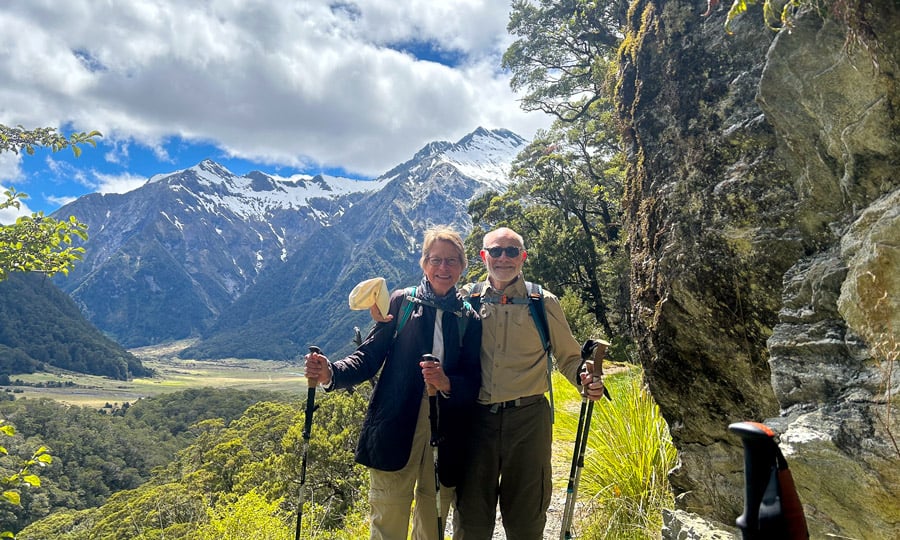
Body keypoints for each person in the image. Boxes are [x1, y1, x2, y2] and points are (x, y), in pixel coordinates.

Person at [304, 225, 482, 540]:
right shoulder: (403, 303)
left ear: (462, 265)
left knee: (433, 520)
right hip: (395, 423)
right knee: (388, 518)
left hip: (447, 430)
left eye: (452, 260)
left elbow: (474, 379)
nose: (443, 268)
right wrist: (330, 373)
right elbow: (368, 356)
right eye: (436, 259)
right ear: (424, 263)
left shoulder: (469, 317)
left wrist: (446, 383)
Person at [454, 226, 607, 539]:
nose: (503, 258)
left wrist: (585, 380)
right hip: (474, 419)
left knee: (526, 516)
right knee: (471, 518)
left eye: (511, 251)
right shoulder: (465, 300)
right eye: (495, 251)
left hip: (529, 419)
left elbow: (569, 357)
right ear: (484, 257)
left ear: (523, 257)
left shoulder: (543, 302)